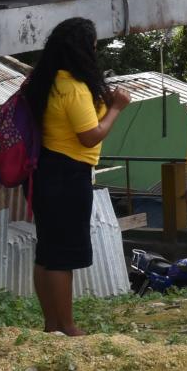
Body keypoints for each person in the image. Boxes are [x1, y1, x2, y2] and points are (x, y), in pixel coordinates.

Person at [27, 17, 129, 336]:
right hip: (68, 173)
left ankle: (52, 324)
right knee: (63, 255)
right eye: (94, 46)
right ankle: (68, 327)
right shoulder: (73, 87)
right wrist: (116, 108)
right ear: (83, 50)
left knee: (47, 251)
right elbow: (89, 135)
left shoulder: (46, 81)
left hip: (45, 170)